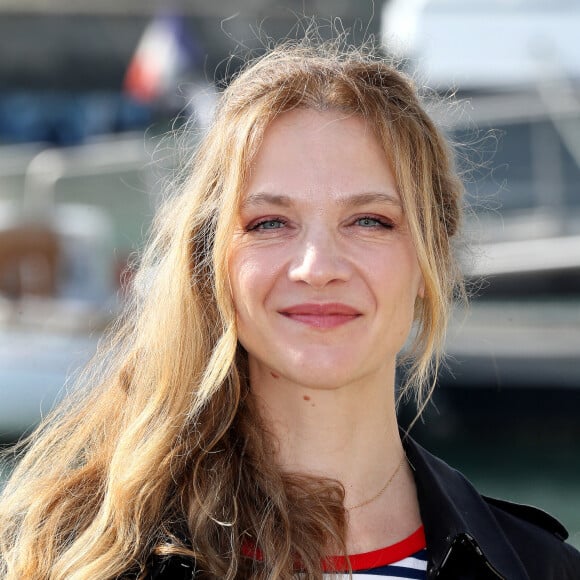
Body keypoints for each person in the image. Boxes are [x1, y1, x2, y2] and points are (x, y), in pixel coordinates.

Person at [1, 39, 579, 580]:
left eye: (369, 221)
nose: (317, 265)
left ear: (430, 260)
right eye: (270, 223)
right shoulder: (71, 553)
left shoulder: (540, 567)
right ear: (211, 264)